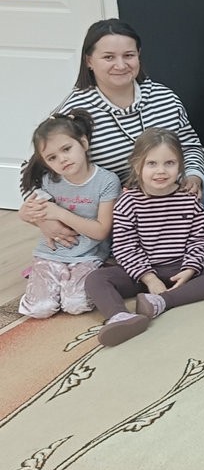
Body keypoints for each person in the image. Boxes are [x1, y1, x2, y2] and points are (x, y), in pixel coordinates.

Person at [53, 19, 204, 246]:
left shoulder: (164, 97)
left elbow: (190, 144)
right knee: (150, 241)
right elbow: (36, 167)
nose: (120, 65)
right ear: (89, 61)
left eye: (128, 55)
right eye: (109, 57)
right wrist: (46, 218)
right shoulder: (73, 111)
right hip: (117, 199)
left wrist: (193, 175)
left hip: (174, 181)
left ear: (138, 55)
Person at [83, 130, 204, 346]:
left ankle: (161, 301)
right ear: (137, 166)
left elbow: (201, 239)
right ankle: (119, 317)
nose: (161, 171)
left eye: (169, 163)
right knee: (95, 279)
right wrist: (149, 278)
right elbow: (125, 247)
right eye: (152, 164)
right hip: (140, 273)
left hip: (180, 267)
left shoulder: (189, 199)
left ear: (180, 166)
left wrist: (190, 269)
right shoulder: (127, 202)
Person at [17, 110, 120, 318]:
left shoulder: (107, 181)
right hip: (51, 253)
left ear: (83, 143)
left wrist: (59, 213)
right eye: (52, 158)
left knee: (76, 304)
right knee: (40, 308)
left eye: (66, 149)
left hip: (88, 256)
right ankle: (45, 278)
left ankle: (65, 283)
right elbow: (34, 214)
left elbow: (101, 231)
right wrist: (24, 213)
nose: (62, 159)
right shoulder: (48, 181)